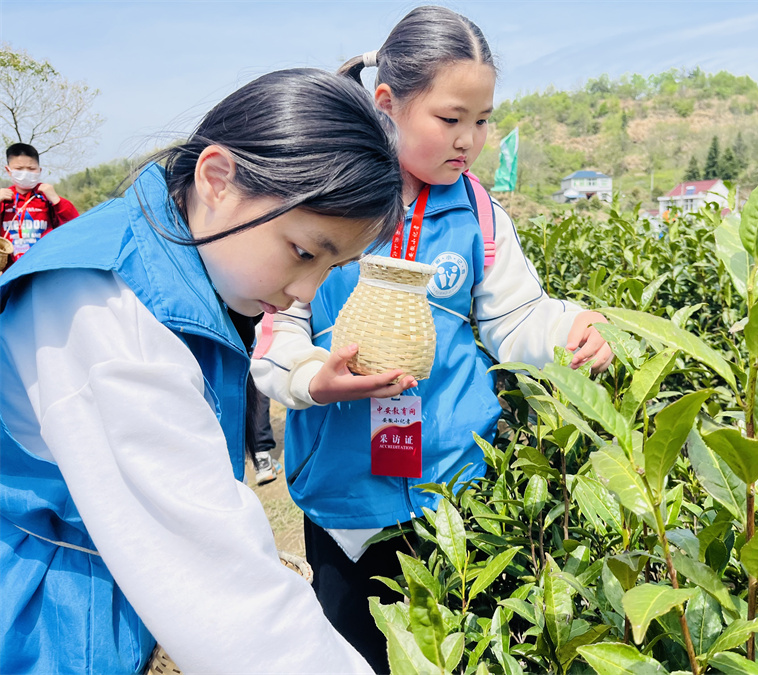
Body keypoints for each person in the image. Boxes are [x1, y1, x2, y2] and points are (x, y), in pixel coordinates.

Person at [0, 68, 404, 674]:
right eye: (303, 251)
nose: (305, 292)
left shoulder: (172, 266)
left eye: (332, 266)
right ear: (217, 179)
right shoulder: (108, 312)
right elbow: (229, 602)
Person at [250, 7, 614, 672]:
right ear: (387, 104)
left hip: (451, 491)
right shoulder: (326, 195)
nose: (471, 139)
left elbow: (515, 317)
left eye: (482, 120)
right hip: (345, 506)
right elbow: (279, 325)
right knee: (356, 656)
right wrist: (312, 378)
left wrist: (570, 329)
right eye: (451, 119)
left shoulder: (477, 210)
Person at [1, 142, 79, 270]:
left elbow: (74, 224)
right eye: (19, 169)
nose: (25, 173)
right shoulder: (4, 198)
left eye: (31, 169)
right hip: (11, 269)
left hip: (44, 266)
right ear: (8, 170)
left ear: (39, 170)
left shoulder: (46, 197)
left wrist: (56, 199)